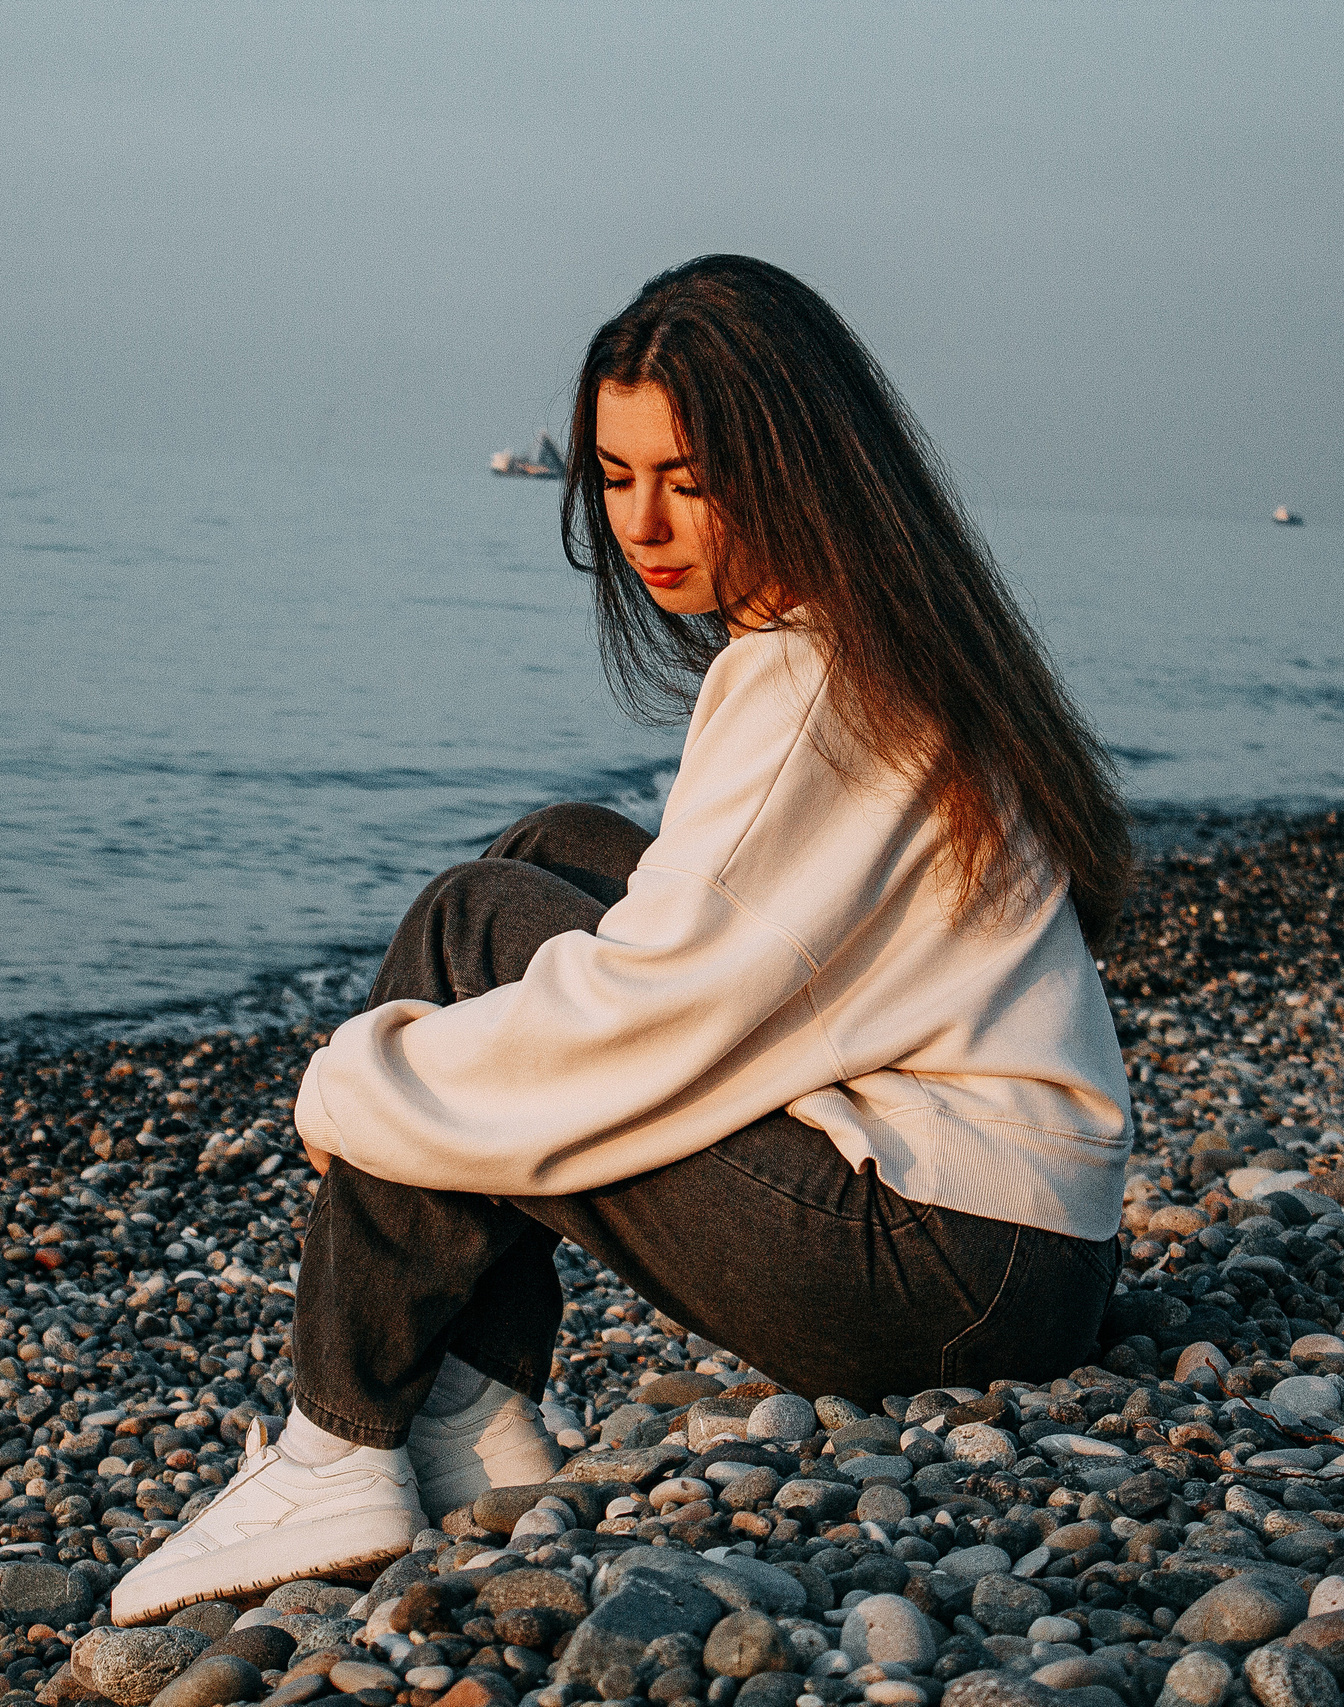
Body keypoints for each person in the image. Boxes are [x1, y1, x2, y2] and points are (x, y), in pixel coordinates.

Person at [110, 255, 1136, 1625]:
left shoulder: (811, 682)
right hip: (1022, 1251)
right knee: (555, 850)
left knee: (472, 926)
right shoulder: (884, 641)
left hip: (947, 1272)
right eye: (615, 473)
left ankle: (336, 1443)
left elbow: (647, 1017)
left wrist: (354, 1083)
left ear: (795, 463)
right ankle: (472, 1407)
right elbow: (704, 965)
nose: (644, 524)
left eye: (692, 478)